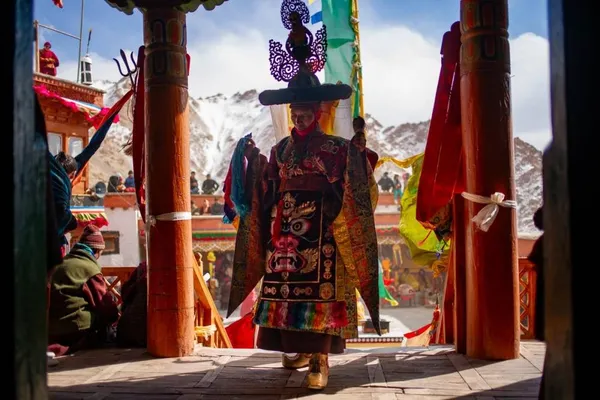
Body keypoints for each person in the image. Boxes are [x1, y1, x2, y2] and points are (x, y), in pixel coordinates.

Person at [224, 0, 381, 390]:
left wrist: (356, 165)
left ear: (319, 110)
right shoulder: (280, 150)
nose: (300, 116)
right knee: (283, 293)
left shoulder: (338, 148)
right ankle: (291, 349)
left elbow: (356, 188)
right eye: (295, 111)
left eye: (306, 110)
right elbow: (269, 188)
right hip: (286, 234)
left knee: (320, 296)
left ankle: (320, 358)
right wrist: (255, 165)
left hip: (324, 232)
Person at [47, 225, 119, 356]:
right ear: (97, 251)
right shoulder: (89, 268)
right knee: (101, 318)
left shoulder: (61, 263)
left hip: (49, 329)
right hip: (75, 330)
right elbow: (106, 307)